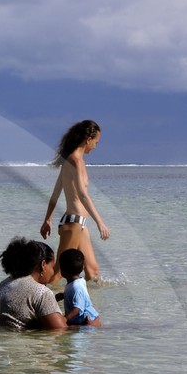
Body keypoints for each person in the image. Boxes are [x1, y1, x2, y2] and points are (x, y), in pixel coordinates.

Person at [39, 119, 111, 282]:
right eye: (96, 142)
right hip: (73, 222)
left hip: (80, 223)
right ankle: (42, 302)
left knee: (92, 272)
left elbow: (56, 193)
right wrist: (100, 222)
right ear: (88, 139)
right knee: (57, 273)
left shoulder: (73, 161)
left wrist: (48, 219)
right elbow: (83, 194)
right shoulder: (74, 161)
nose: (96, 146)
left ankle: (80, 303)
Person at [0, 237, 68, 331]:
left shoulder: (2, 286)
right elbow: (60, 331)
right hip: (22, 344)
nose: (53, 272)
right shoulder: (41, 292)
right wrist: (85, 326)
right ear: (43, 265)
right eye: (52, 267)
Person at [55, 249, 101, 327]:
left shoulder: (76, 286)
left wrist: (64, 319)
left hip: (87, 320)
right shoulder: (76, 283)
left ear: (62, 271)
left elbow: (77, 308)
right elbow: (78, 297)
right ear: (83, 267)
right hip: (83, 320)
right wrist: (64, 295)